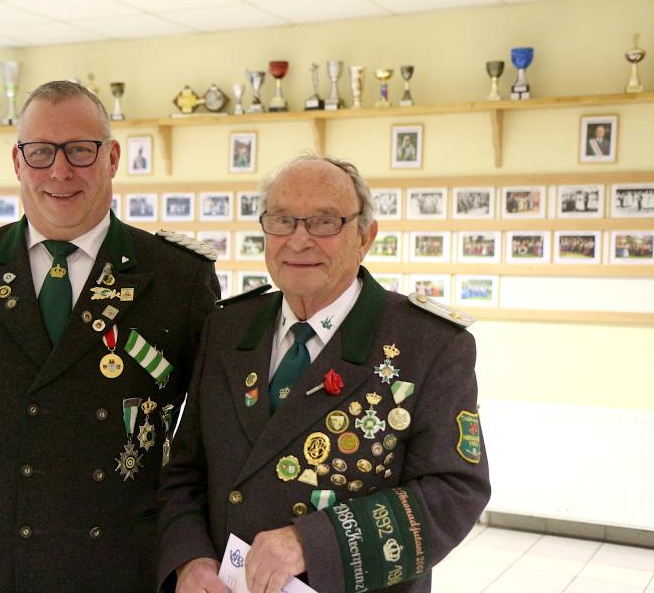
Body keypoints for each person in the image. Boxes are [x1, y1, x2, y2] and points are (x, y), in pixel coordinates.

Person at [0, 80, 220, 592]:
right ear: (18, 162)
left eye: (81, 150)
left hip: (118, 570)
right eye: (40, 152)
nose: (59, 171)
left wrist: (197, 559)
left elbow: (207, 445)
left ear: (112, 158)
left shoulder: (177, 277)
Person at [157, 155, 490, 593]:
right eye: (282, 221)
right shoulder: (226, 330)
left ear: (365, 237)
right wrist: (190, 560)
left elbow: (454, 491)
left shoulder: (428, 344)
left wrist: (311, 542)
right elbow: (184, 471)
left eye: (324, 222)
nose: (299, 240)